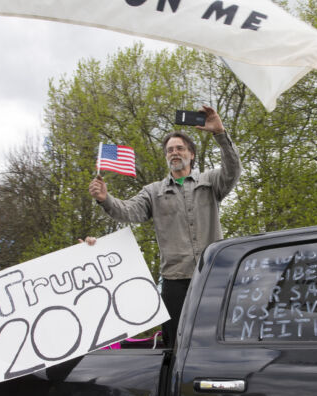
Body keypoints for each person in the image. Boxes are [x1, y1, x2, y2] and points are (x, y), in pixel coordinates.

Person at [89, 106, 242, 348]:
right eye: (169, 150)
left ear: (191, 154)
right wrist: (104, 199)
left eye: (180, 148)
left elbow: (233, 170)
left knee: (216, 339)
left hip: (211, 276)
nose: (174, 153)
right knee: (175, 345)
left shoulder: (210, 182)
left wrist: (220, 134)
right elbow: (128, 211)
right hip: (174, 282)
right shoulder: (153, 192)